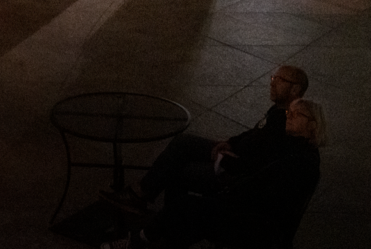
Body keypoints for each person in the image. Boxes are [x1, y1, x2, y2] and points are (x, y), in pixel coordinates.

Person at [104, 66, 310, 212]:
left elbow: (257, 164)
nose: (272, 83)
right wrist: (230, 142)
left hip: (236, 174)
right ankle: (144, 193)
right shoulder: (279, 109)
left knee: (180, 171)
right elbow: (254, 133)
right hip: (236, 153)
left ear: (295, 89)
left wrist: (224, 157)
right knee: (184, 142)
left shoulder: (289, 122)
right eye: (273, 78)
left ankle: (170, 224)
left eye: (280, 80)